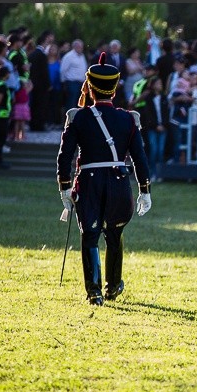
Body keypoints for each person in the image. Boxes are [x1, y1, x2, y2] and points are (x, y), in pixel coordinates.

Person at [56, 52, 152, 306]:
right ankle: (112, 286)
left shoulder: (78, 117)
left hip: (89, 182)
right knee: (114, 233)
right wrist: (145, 189)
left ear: (90, 87)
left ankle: (94, 292)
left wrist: (65, 187)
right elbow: (139, 158)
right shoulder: (128, 118)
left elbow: (65, 156)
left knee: (89, 234)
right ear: (114, 88)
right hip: (119, 182)